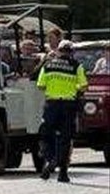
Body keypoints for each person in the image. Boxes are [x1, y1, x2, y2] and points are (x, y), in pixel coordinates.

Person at [36, 39, 88, 183]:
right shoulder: (76, 66)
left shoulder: (48, 65)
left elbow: (40, 85)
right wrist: (73, 88)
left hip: (51, 105)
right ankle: (62, 173)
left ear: (58, 50)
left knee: (46, 135)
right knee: (66, 139)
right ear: (71, 52)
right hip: (68, 106)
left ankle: (51, 159)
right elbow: (83, 86)